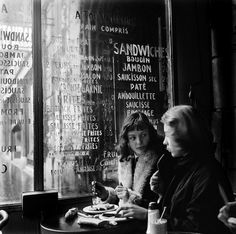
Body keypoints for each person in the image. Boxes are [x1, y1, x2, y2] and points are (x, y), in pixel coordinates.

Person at [117, 105, 234, 234]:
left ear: (185, 136)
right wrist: (160, 194)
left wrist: (148, 215)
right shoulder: (184, 166)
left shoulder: (207, 172)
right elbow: (172, 211)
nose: (164, 142)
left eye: (168, 135)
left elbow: (195, 226)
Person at [92, 111, 165, 208]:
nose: (139, 142)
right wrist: (106, 194)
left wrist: (131, 197)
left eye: (143, 135)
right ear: (127, 140)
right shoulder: (126, 159)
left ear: (150, 135)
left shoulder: (160, 158)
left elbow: (162, 203)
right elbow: (123, 198)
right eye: (133, 138)